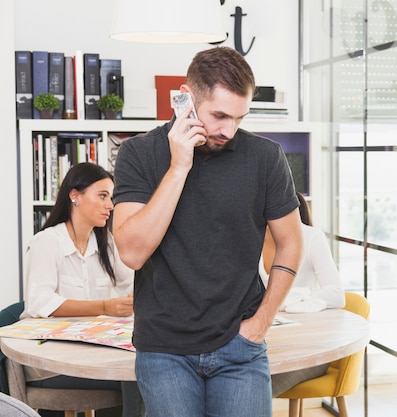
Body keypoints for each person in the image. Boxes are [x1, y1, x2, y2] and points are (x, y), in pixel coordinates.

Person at [111, 46, 303, 417]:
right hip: (163, 349)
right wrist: (179, 166)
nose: (228, 130)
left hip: (240, 346)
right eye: (219, 115)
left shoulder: (266, 158)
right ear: (186, 97)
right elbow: (133, 252)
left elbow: (291, 242)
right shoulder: (138, 153)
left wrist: (261, 321)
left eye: (239, 117)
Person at [20, 162, 145, 417]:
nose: (110, 205)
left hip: (91, 355)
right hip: (51, 364)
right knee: (137, 377)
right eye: (102, 196)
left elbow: (133, 283)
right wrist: (104, 307)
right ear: (75, 196)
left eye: (111, 197)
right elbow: (39, 302)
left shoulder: (107, 245)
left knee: (146, 369)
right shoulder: (47, 242)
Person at [260, 192, 345, 396]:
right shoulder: (253, 238)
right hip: (268, 343)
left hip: (307, 351)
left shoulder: (312, 238)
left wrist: (295, 299)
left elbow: (336, 294)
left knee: (252, 385)